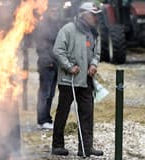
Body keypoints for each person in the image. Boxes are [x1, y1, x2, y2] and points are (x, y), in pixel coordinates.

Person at [51, 2, 104, 157]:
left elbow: (96, 52)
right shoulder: (68, 29)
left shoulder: (94, 32)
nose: (96, 18)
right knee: (63, 112)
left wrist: (93, 65)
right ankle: (57, 145)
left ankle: (86, 148)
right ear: (84, 14)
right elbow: (58, 50)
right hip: (69, 81)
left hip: (86, 79)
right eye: (93, 15)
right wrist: (68, 66)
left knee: (87, 113)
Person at [33, 1, 64, 130]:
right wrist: (48, 60)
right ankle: (42, 120)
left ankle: (47, 118)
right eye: (53, 10)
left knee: (50, 93)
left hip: (55, 63)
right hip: (47, 63)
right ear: (48, 11)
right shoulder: (42, 25)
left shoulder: (57, 24)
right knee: (44, 93)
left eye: (57, 11)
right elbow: (41, 46)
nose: (55, 13)